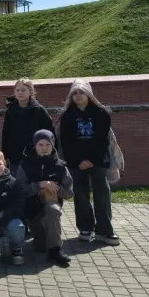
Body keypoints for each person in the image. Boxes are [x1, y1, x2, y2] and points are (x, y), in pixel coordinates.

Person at [59, 79, 119, 245]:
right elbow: (66, 141)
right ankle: (85, 228)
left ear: (89, 94)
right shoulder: (67, 115)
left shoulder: (101, 113)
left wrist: (92, 159)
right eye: (75, 93)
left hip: (97, 160)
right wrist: (79, 160)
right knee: (81, 194)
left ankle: (104, 230)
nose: (78, 96)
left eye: (81, 92)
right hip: (76, 162)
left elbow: (103, 139)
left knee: (102, 194)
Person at [14, 130, 73, 268]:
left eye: (48, 144)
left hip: (48, 206)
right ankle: (20, 245)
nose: (44, 148)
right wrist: (40, 185)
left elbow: (69, 193)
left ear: (53, 146)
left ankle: (55, 250)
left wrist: (57, 189)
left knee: (53, 209)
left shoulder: (60, 166)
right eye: (40, 144)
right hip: (28, 207)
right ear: (35, 145)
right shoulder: (25, 164)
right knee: (39, 247)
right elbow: (19, 189)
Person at [1, 78, 54, 174]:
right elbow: (6, 134)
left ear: (30, 92)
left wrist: (50, 152)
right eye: (17, 90)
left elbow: (50, 133)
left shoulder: (39, 110)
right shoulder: (10, 111)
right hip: (16, 156)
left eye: (23, 90)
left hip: (36, 155)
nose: (20, 93)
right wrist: (5, 154)